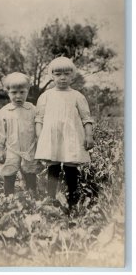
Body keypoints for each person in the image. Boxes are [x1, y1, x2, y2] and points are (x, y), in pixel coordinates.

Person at [35, 57, 94, 209]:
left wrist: (89, 135)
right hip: (52, 137)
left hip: (71, 137)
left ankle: (73, 197)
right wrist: (40, 137)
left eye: (67, 74)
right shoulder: (46, 96)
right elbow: (39, 118)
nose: (62, 77)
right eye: (58, 74)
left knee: (70, 166)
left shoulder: (77, 96)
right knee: (53, 166)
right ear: (52, 75)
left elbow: (86, 118)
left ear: (72, 75)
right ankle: (51, 196)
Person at [0, 72, 42, 196]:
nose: (18, 96)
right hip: (11, 148)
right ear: (8, 92)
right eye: (14, 93)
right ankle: (9, 196)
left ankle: (32, 195)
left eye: (22, 92)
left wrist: (41, 146)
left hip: (29, 148)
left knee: (30, 171)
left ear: (27, 91)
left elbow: (40, 126)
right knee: (9, 171)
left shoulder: (32, 109)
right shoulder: (5, 111)